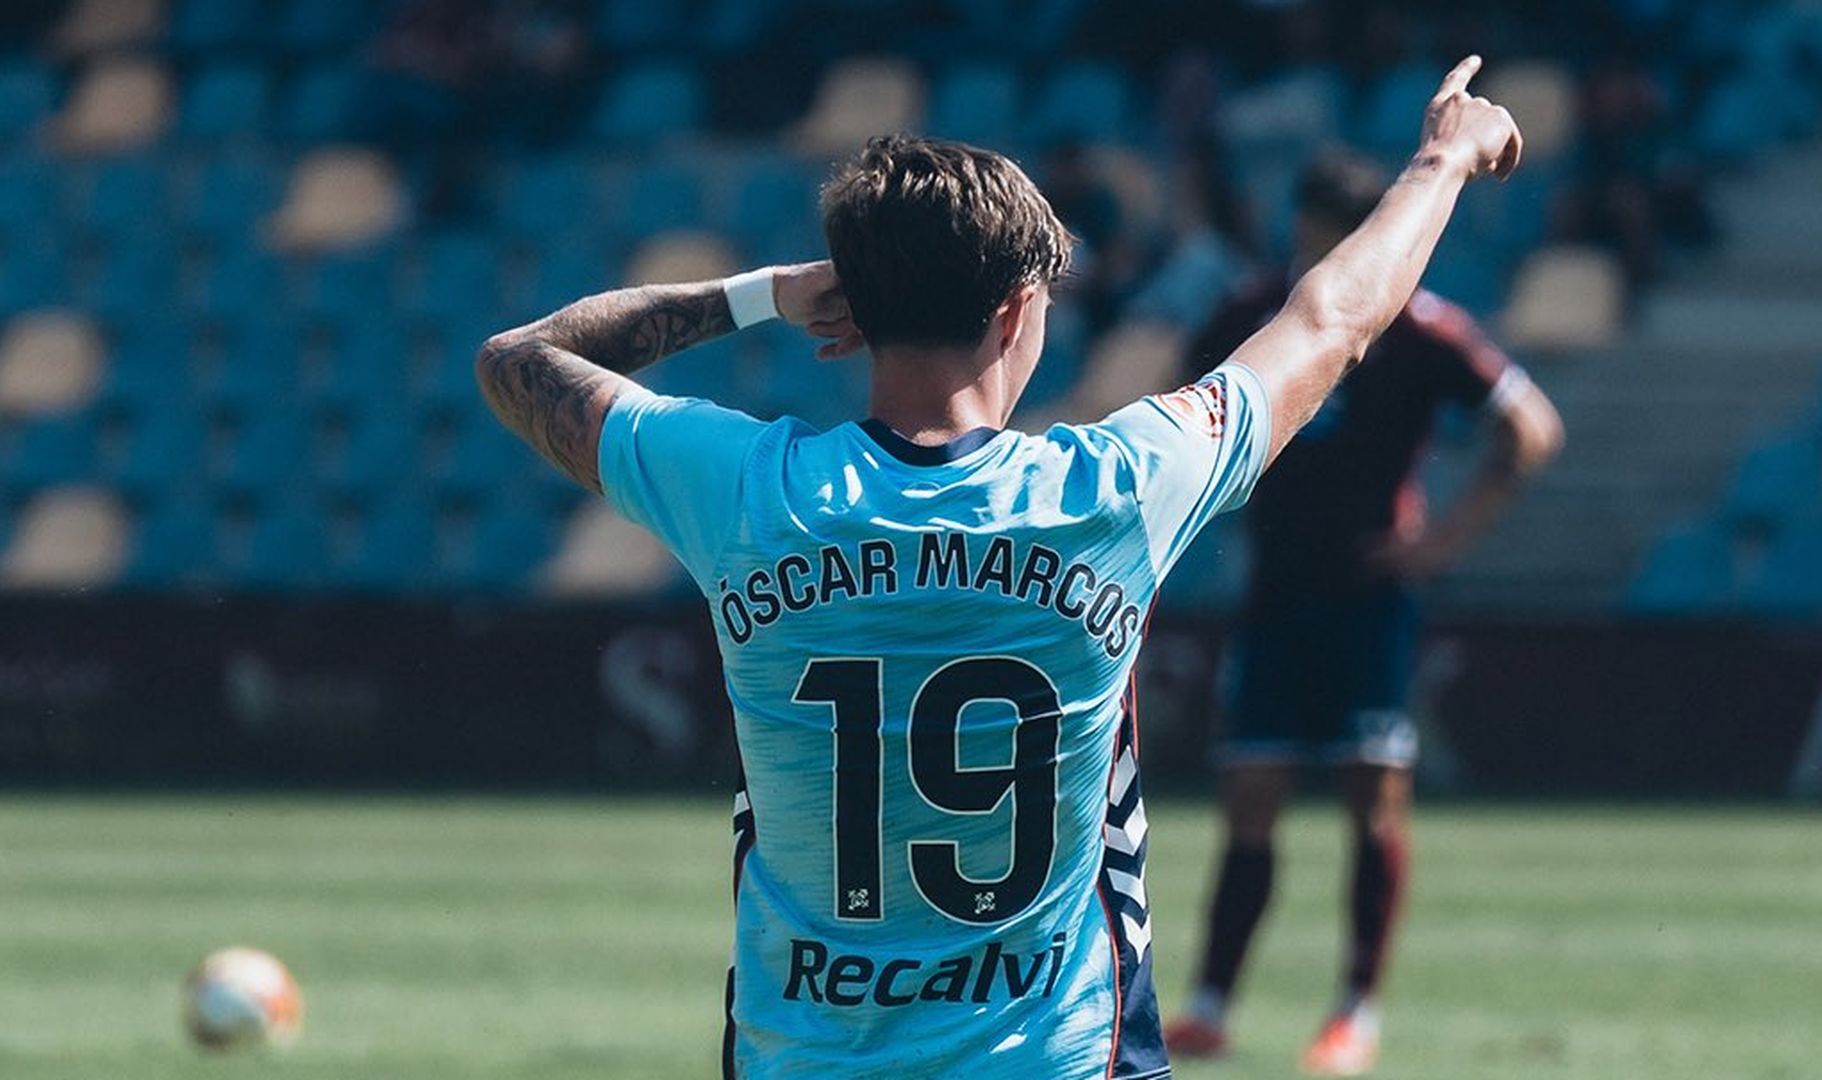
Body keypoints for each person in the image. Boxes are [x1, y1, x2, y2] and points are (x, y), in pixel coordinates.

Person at [475, 56, 1523, 1079]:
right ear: (1020, 308)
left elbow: (518, 361)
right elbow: (1334, 319)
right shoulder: (1113, 490)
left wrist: (767, 296)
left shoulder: (749, 491)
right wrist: (1442, 160)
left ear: (860, 304)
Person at [1161, 149, 1564, 1075]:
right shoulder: (1247, 315)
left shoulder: (1423, 330)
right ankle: (1213, 1006)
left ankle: (1355, 1014)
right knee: (1251, 798)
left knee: (1370, 798)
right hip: (1275, 592)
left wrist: (1444, 542)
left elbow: (1531, 429)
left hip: (1369, 596)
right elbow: (1185, 425)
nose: (1313, 254)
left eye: (1324, 237)